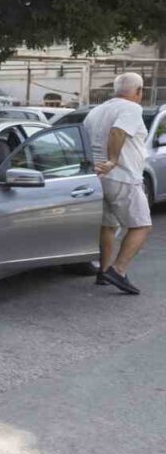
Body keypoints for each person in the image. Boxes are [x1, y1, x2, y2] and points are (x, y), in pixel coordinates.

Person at [84, 73, 152, 295]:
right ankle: (118, 271)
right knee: (141, 226)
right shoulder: (131, 108)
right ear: (138, 91)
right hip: (123, 177)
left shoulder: (96, 111)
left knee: (109, 225)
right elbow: (118, 131)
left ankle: (103, 272)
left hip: (98, 178)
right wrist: (113, 160)